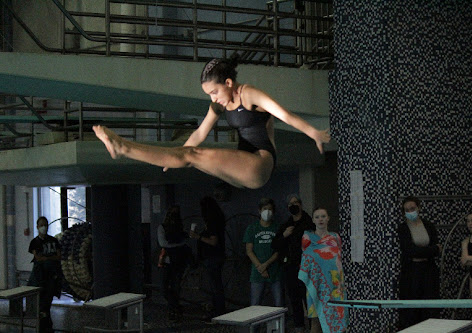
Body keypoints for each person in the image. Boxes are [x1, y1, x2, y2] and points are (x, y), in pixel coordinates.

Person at [92, 56, 330, 189]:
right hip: (243, 171)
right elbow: (199, 133)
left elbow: (284, 115)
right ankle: (124, 149)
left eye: (214, 92)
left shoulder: (249, 94)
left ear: (228, 83)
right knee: (188, 157)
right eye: (208, 94)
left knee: (190, 156)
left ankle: (122, 147)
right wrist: (175, 155)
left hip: (260, 163)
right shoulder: (218, 105)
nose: (212, 98)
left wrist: (313, 133)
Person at [298, 207, 348, 333]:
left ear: (328, 219)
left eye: (323, 216)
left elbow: (338, 260)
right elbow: (306, 259)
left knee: (337, 318)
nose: (320, 219)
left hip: (335, 286)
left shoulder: (335, 237)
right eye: (317, 217)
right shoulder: (307, 238)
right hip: (315, 284)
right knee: (315, 321)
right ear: (313, 220)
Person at [271, 194, 315, 332]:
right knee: (295, 301)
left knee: (309, 301)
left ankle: (314, 328)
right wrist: (284, 236)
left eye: (295, 203)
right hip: (290, 268)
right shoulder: (286, 225)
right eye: (290, 204)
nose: (293, 206)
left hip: (306, 268)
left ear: (300, 205)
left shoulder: (309, 223)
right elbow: (275, 245)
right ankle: (299, 328)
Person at [397, 196, 441, 329]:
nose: (410, 212)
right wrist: (430, 250)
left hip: (428, 271)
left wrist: (426, 251)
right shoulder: (403, 228)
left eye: (412, 209)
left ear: (419, 208)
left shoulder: (428, 226)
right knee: (412, 311)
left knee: (429, 308)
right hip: (412, 273)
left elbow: (437, 249)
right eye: (407, 210)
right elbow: (410, 251)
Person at [189, 196, 226, 319]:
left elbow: (213, 241)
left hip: (212, 257)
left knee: (215, 286)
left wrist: (197, 237)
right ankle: (218, 310)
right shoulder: (217, 220)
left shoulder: (212, 222)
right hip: (216, 256)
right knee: (216, 285)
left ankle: (218, 311)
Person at [243, 198, 282, 306]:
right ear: (259, 211)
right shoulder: (252, 228)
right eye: (265, 209)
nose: (267, 211)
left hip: (275, 273)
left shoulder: (278, 228)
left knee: (279, 304)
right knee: (255, 304)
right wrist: (260, 267)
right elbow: (249, 251)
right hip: (257, 273)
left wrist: (265, 265)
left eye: (270, 209)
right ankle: (257, 324)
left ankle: (277, 324)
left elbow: (279, 250)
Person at [27, 216, 62, 333]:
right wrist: (49, 259)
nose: (44, 227)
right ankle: (44, 324)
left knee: (48, 300)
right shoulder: (35, 242)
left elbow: (58, 256)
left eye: (45, 225)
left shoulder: (53, 240)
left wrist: (46, 258)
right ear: (37, 227)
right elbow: (38, 258)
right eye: (41, 225)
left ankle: (46, 323)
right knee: (41, 302)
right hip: (40, 277)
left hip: (52, 277)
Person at [157, 205, 190, 323]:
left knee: (174, 287)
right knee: (165, 287)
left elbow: (165, 243)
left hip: (176, 261)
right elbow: (163, 243)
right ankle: (175, 307)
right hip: (170, 260)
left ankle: (173, 309)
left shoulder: (177, 227)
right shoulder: (164, 228)